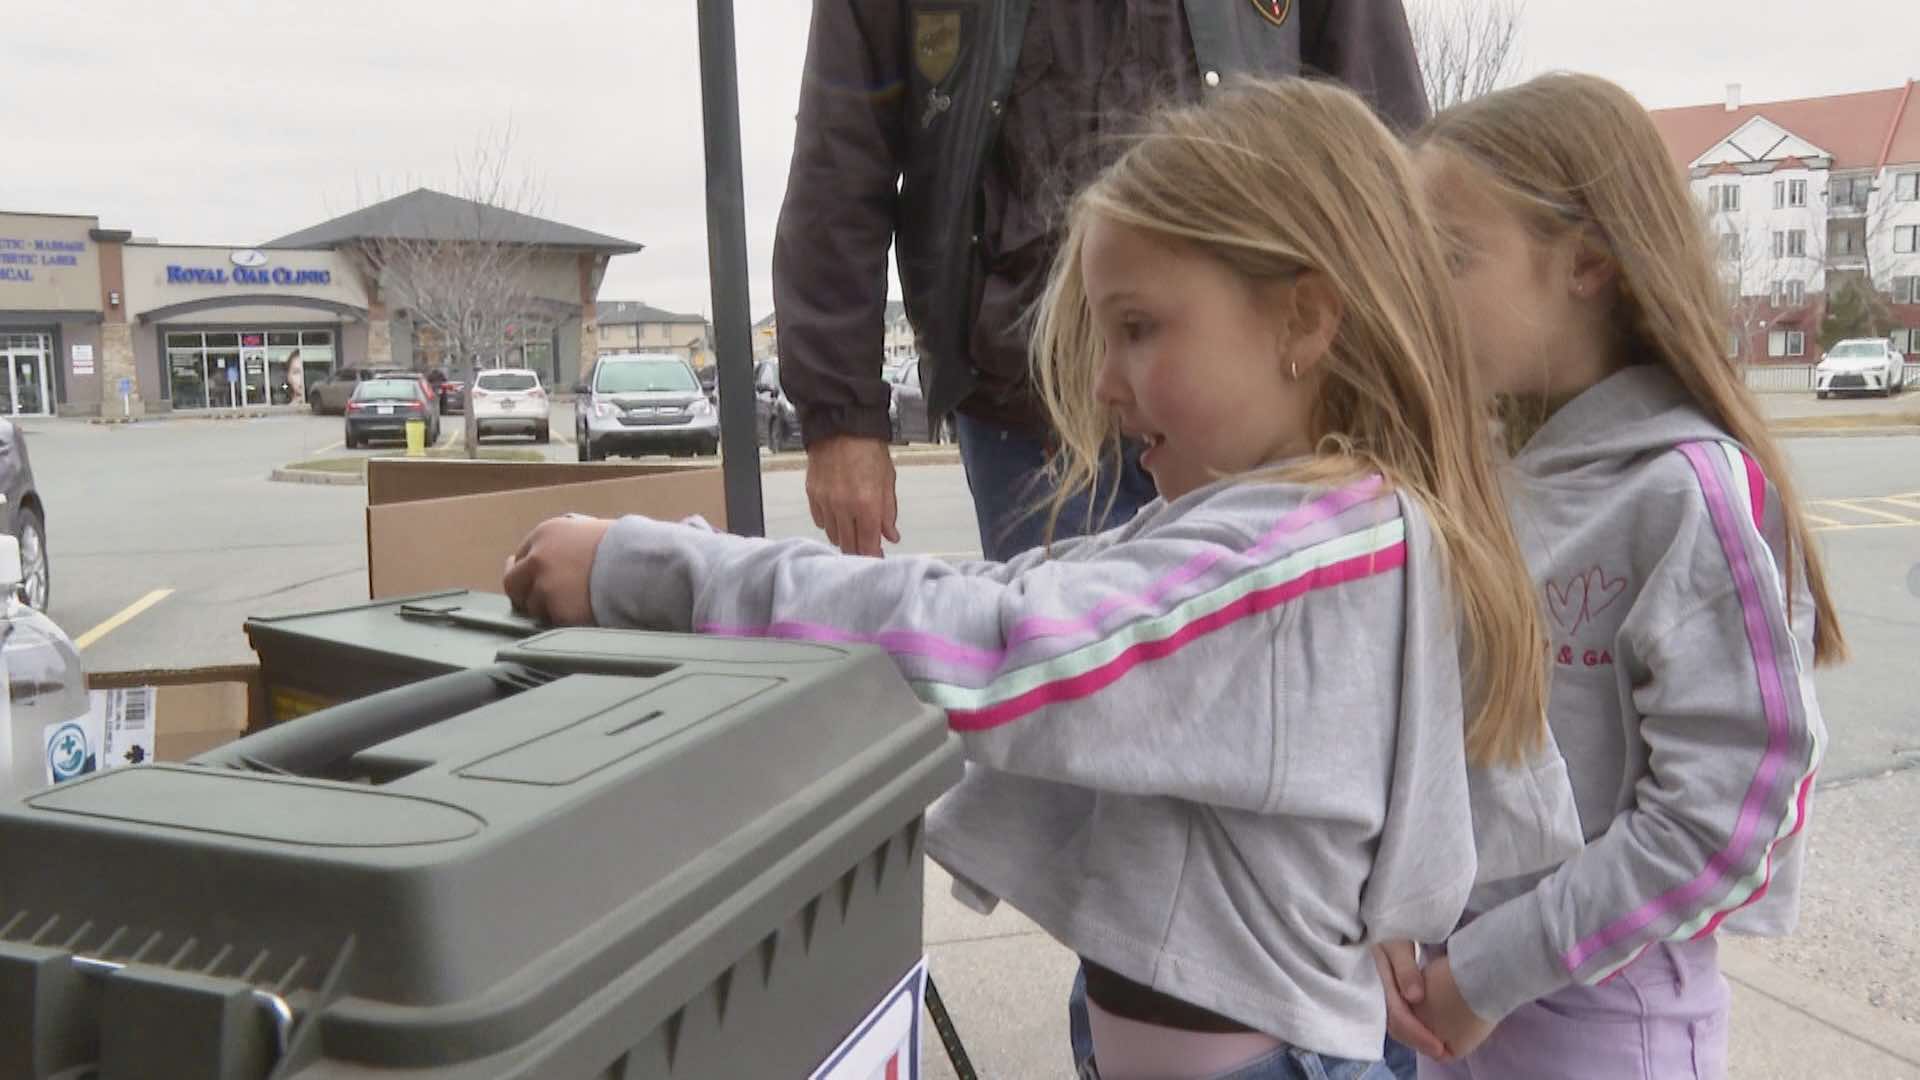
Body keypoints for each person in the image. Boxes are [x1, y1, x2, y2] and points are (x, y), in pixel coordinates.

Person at [507, 79, 1566, 1079]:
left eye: (1140, 328)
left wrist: (653, 570)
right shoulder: (1300, 529)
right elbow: (999, 597)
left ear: (1304, 317)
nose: (1105, 384)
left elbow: (1010, 642)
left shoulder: (1293, 562)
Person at [1376, 73, 1841, 1079]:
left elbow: (1724, 820)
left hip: (1605, 1033)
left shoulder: (1686, 494)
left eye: (1450, 258)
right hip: (1459, 1016)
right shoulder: (1490, 481)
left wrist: (1490, 972)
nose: (1421, 295)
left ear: (1586, 260)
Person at [772, 0, 1428, 561]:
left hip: (1261, 411)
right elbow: (842, 152)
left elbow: (1380, 135)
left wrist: (1413, 389)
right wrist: (841, 420)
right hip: (1023, 415)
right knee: (1066, 689)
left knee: (1282, 683)